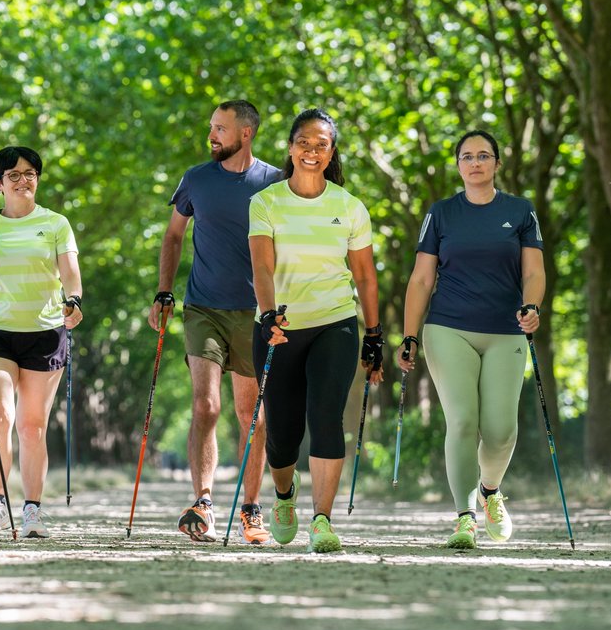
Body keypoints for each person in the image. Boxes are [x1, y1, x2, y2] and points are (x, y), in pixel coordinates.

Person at [396, 129, 544, 550]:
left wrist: (532, 307)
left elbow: (533, 272)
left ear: (497, 163)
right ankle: (465, 517)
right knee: (462, 421)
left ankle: (490, 491)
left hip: (505, 331)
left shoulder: (520, 211)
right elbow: (422, 278)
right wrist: (408, 334)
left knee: (500, 432)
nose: (475, 163)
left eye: (483, 156)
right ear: (458, 165)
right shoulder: (441, 213)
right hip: (448, 328)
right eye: (467, 156)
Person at [249, 107, 384, 554]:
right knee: (283, 432)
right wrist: (268, 314)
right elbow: (263, 266)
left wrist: (374, 333)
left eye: (321, 144)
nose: (311, 151)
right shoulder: (266, 202)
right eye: (303, 142)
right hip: (280, 329)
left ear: (331, 152)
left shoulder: (348, 207)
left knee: (326, 417)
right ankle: (284, 496)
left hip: (335, 323)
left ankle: (322, 520)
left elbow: (364, 277)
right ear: (290, 148)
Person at [150, 100, 282, 545]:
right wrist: (165, 291)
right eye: (211, 127)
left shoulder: (275, 183)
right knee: (206, 406)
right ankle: (202, 503)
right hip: (202, 307)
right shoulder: (196, 179)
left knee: (252, 416)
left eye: (220, 129)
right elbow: (173, 235)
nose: (212, 135)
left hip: (255, 312)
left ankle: (250, 508)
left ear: (245, 134)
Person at [0, 146, 83, 539]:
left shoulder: (56, 223)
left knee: (32, 427)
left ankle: (32, 510)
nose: (23, 180)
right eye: (13, 174)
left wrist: (74, 301)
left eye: (30, 173)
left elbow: (70, 273)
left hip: (46, 333)